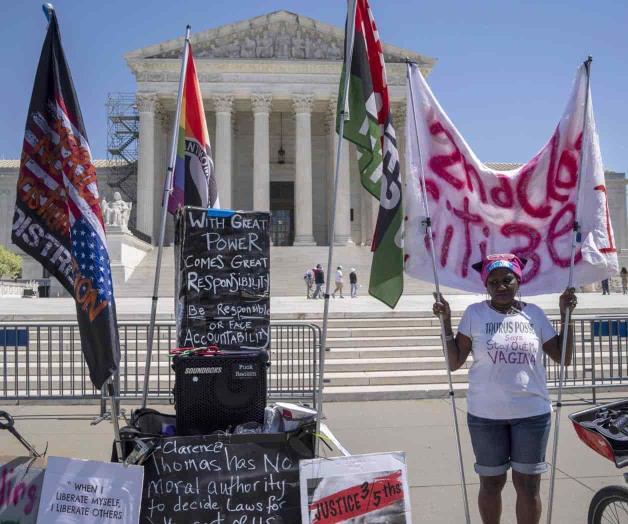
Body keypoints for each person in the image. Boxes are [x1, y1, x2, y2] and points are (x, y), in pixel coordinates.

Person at [432, 253, 576, 524]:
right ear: (485, 286)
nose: (500, 286)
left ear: (518, 281)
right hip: (486, 416)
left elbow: (563, 357)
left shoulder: (533, 313)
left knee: (528, 486)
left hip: (532, 414)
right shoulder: (475, 313)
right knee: (491, 483)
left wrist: (566, 315)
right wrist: (446, 322)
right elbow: (454, 362)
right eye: (493, 281)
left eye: (506, 279)